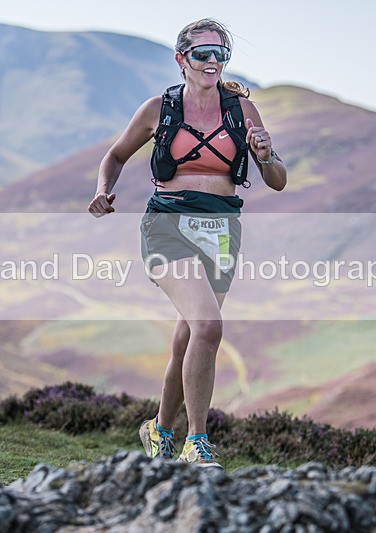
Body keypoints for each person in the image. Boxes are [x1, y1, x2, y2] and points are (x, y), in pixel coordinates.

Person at [88, 19, 286, 468]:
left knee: (189, 337)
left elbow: (276, 181)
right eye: (203, 54)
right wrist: (102, 190)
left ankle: (158, 431)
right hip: (167, 225)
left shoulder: (242, 111)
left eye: (221, 54)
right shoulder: (158, 108)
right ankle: (196, 443)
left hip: (222, 230)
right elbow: (116, 156)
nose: (213, 62)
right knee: (209, 328)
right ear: (182, 59)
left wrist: (266, 154)